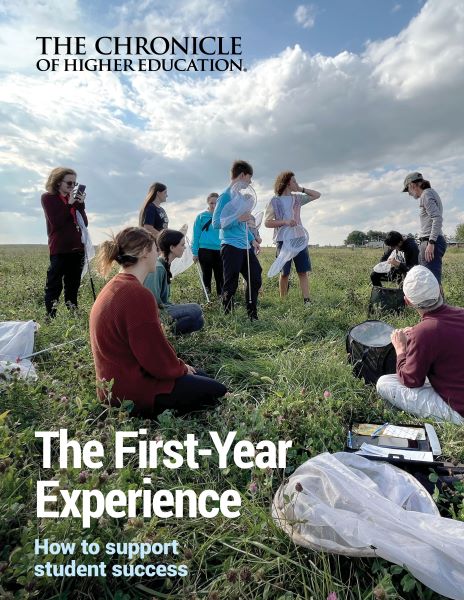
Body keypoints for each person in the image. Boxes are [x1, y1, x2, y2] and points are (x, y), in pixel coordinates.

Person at [89, 227, 226, 417]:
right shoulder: (137, 294)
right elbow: (155, 358)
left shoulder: (115, 285)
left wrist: (181, 367)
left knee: (200, 375)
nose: (157, 253)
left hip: (112, 388)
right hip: (131, 393)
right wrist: (180, 368)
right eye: (155, 249)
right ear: (145, 252)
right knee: (218, 391)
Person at [376, 266, 464, 425]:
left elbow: (411, 380)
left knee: (384, 383)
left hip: (458, 411)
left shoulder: (424, 333)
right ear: (440, 290)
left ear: (407, 301)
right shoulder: (461, 312)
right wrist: (418, 333)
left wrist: (401, 350)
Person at [212, 160, 262, 320]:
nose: (250, 182)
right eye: (249, 178)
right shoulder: (225, 196)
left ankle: (252, 314)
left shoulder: (240, 197)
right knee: (231, 283)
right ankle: (227, 316)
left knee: (255, 276)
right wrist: (238, 218)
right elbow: (216, 223)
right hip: (230, 246)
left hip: (245, 246)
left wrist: (252, 239)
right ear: (241, 175)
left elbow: (243, 226)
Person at [264, 171, 320, 303]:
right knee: (284, 273)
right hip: (283, 240)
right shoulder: (274, 201)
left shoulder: (297, 198)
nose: (296, 183)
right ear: (287, 182)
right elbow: (267, 222)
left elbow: (317, 195)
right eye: (294, 181)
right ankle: (283, 301)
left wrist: (300, 189)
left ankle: (307, 300)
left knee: (302, 271)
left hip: (299, 239)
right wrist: (285, 222)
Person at [41, 167, 88, 317]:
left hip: (77, 248)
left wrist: (80, 205)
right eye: (69, 183)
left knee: (73, 285)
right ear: (57, 182)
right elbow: (57, 222)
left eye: (74, 183)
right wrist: (70, 204)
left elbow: (84, 224)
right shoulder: (48, 198)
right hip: (60, 249)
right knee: (54, 285)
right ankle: (50, 316)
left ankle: (73, 313)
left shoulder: (72, 200)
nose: (72, 187)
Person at [144, 229, 204, 335]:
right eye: (182, 245)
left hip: (162, 310)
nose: (185, 247)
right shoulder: (158, 268)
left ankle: (166, 334)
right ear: (172, 247)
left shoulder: (165, 265)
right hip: (154, 314)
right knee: (196, 309)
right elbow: (150, 300)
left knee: (199, 322)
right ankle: (159, 333)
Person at [402, 172, 447, 284]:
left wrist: (431, 242)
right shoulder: (430, 193)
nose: (409, 194)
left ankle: (438, 301)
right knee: (430, 280)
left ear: (412, 185)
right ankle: (437, 301)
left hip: (430, 241)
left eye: (408, 190)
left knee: (431, 281)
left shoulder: (426, 195)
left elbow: (437, 218)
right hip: (430, 241)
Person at [191, 193, 223, 296]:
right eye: (211, 203)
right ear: (208, 203)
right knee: (207, 275)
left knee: (220, 275)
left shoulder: (223, 216)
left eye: (216, 203)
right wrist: (195, 252)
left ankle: (222, 297)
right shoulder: (201, 217)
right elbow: (195, 235)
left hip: (220, 249)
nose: (214, 205)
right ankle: (207, 297)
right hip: (204, 250)